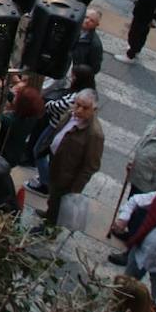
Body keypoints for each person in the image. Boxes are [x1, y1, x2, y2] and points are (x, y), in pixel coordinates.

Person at [33, 88, 104, 231]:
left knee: (59, 202)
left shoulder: (94, 134)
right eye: (77, 105)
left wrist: (75, 188)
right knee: (53, 197)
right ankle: (49, 215)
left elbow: (91, 165)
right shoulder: (70, 114)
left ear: (94, 109)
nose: (79, 110)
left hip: (67, 175)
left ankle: (49, 228)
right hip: (56, 163)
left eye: (85, 107)